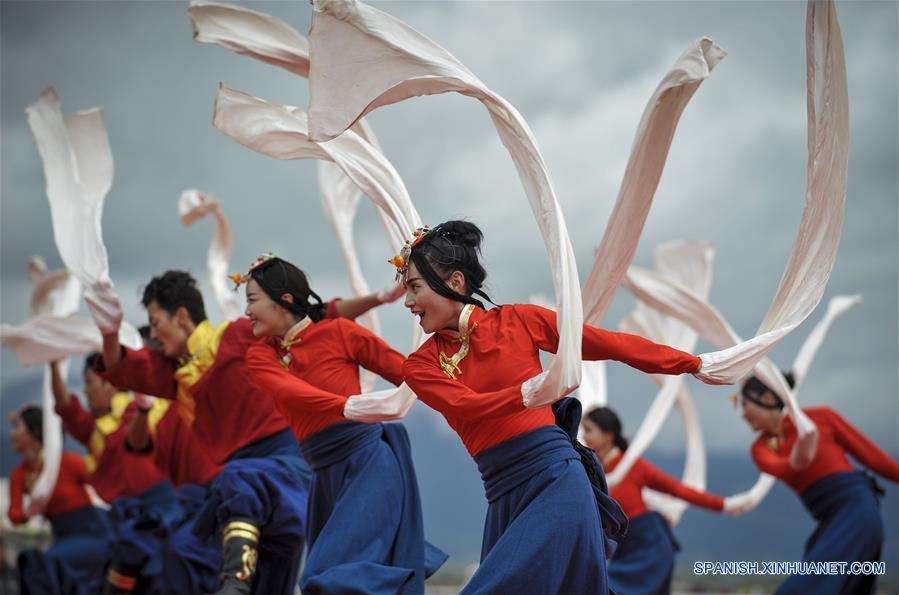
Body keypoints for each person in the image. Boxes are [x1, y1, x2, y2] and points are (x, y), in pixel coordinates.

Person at [398, 220, 713, 593]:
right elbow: (465, 405)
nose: (407, 302)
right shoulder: (419, 364)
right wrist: (527, 393)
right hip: (502, 495)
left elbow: (610, 344)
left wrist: (694, 363)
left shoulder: (520, 321)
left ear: (454, 283)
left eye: (415, 287)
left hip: (555, 479)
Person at [96, 269, 399, 594]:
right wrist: (109, 329)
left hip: (287, 465)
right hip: (239, 485)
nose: (154, 334)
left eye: (156, 323)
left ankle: (234, 586)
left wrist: (379, 297)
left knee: (241, 484)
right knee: (186, 551)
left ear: (181, 316)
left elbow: (315, 315)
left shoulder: (239, 335)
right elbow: (119, 368)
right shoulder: (173, 372)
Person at [240, 253, 446, 594]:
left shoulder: (339, 333)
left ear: (284, 300)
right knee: (332, 576)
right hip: (323, 477)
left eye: (252, 300)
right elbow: (291, 393)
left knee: (327, 578)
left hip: (368, 465)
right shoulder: (260, 355)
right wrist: (352, 405)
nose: (246, 311)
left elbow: (411, 374)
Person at [739, 372, 899, 594]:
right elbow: (784, 467)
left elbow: (874, 459)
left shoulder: (821, 418)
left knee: (809, 585)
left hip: (857, 510)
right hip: (831, 518)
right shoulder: (760, 449)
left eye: (744, 404)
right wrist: (800, 455)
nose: (743, 415)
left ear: (766, 398)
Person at [50, 357, 183, 595]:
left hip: (161, 512)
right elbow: (66, 408)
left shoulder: (139, 408)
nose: (85, 390)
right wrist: (53, 362)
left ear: (109, 385)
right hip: (121, 521)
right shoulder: (95, 429)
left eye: (90, 382)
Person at [582, 406, 726, 594]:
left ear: (608, 435)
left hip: (650, 547)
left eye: (589, 430)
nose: (584, 436)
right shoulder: (591, 472)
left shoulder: (632, 466)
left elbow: (678, 490)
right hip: (623, 551)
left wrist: (725, 505)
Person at [8, 404, 113, 594]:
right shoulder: (20, 475)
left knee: (44, 565)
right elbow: (14, 516)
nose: (11, 434)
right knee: (31, 562)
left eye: (17, 427)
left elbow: (103, 483)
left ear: (34, 432)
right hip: (63, 537)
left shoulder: (67, 462)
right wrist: (31, 508)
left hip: (92, 532)